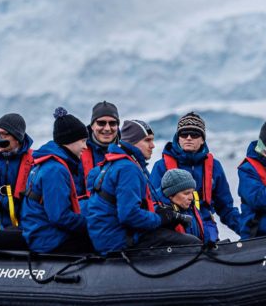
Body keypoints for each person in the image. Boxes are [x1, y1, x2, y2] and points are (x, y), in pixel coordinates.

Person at [86, 119, 198, 254]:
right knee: (192, 243)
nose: (153, 145)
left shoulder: (116, 163)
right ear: (132, 142)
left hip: (106, 237)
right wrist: (161, 219)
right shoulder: (128, 169)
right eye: (147, 140)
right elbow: (129, 215)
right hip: (119, 241)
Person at [148, 112, 244, 243]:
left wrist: (247, 232)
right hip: (175, 225)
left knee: (213, 251)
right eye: (183, 134)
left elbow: (226, 208)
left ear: (202, 139)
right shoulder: (161, 166)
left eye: (194, 134)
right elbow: (153, 203)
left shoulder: (214, 166)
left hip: (206, 225)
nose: (188, 138)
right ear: (178, 138)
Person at [21, 108, 93, 254]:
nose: (85, 147)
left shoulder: (47, 163)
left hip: (39, 232)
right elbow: (59, 217)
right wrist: (91, 224)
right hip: (48, 240)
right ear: (69, 141)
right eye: (83, 141)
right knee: (100, 241)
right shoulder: (55, 170)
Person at [0, 113, 35, 229]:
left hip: (22, 223)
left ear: (17, 137)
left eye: (5, 134)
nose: (0, 138)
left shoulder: (34, 161)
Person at [82, 101, 120, 187]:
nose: (107, 128)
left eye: (112, 123)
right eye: (101, 123)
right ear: (92, 126)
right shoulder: (78, 151)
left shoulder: (128, 150)